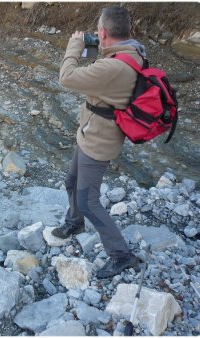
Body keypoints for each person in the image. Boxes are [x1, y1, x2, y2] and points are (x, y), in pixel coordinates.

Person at [53, 6, 145, 278]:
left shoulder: (114, 66)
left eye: (98, 30)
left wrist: (75, 45)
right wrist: (98, 51)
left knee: (88, 201)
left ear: (103, 32)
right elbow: (103, 73)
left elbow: (66, 77)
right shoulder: (129, 52)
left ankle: (122, 255)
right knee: (71, 182)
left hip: (98, 142)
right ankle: (74, 223)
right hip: (90, 133)